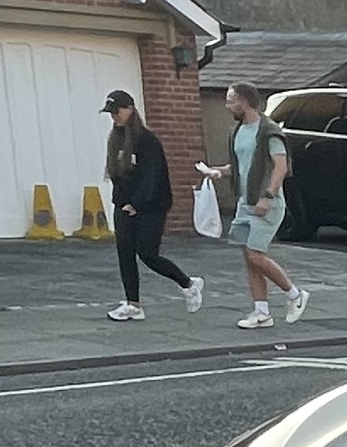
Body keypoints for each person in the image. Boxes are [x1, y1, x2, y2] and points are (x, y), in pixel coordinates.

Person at [101, 89, 203, 321]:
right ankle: (133, 304)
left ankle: (188, 283)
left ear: (130, 109)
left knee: (148, 254)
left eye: (117, 111)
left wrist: (137, 203)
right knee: (124, 253)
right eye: (111, 113)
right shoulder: (115, 139)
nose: (114, 117)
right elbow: (117, 174)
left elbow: (153, 176)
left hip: (152, 205)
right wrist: (121, 201)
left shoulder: (147, 140)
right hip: (124, 204)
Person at [223, 81, 309, 331]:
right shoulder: (237, 132)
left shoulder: (268, 131)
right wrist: (220, 172)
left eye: (231, 100)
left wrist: (268, 196)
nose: (228, 105)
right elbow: (243, 166)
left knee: (255, 256)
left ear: (244, 102)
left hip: (266, 203)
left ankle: (295, 294)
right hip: (244, 201)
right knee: (248, 259)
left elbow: (280, 167)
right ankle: (261, 312)